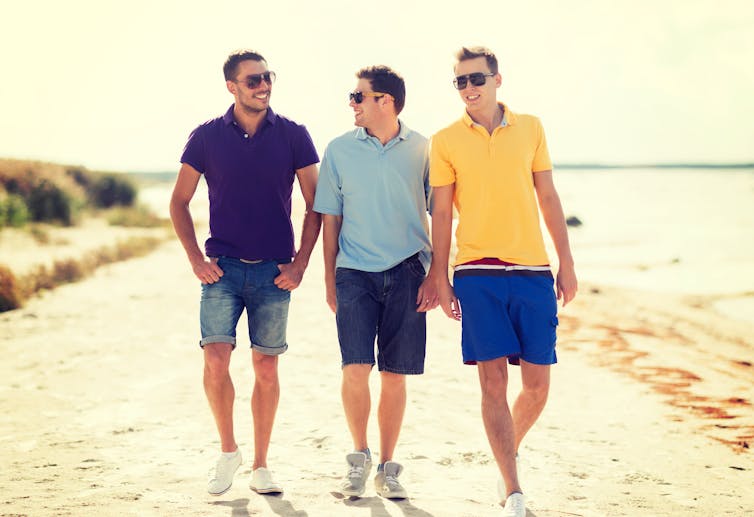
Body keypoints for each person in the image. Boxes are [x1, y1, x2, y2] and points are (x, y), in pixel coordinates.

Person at [425, 46, 578, 517]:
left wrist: (566, 262)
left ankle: (502, 455)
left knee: (537, 386)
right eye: (460, 82)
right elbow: (443, 212)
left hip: (532, 272)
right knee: (491, 382)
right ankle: (513, 488)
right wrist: (440, 274)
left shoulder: (530, 128)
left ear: (497, 79)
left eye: (476, 79)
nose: (469, 89)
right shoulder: (445, 140)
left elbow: (548, 196)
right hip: (476, 273)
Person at [169, 49, 321, 497]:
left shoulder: (294, 135)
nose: (263, 86)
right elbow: (178, 202)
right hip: (223, 271)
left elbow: (317, 204)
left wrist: (300, 264)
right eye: (253, 80)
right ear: (232, 86)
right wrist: (197, 259)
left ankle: (260, 465)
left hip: (275, 273)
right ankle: (229, 451)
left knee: (266, 368)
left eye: (267, 77)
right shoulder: (206, 137)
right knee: (215, 360)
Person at [313, 65, 432, 500]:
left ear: (386, 101)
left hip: (407, 272)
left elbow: (444, 214)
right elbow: (331, 219)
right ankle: (358, 457)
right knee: (355, 367)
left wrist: (438, 274)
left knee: (395, 375)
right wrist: (329, 278)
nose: (352, 103)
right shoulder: (339, 150)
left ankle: (388, 466)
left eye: (358, 96)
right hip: (354, 272)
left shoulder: (423, 149)